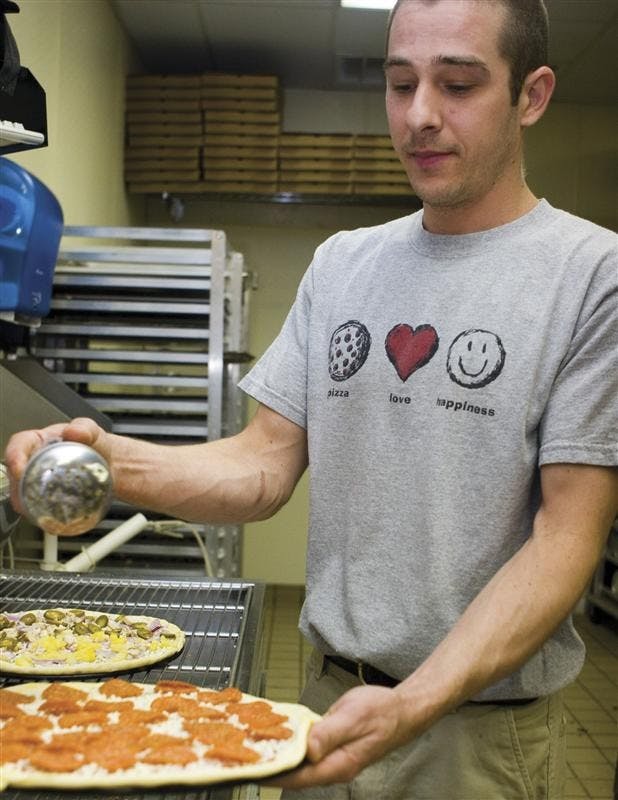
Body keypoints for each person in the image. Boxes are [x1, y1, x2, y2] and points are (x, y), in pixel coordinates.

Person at [5, 0, 617, 797]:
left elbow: (565, 538)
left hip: (475, 733)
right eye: (400, 85)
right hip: (328, 702)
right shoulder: (343, 265)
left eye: (458, 84)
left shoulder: (590, 276)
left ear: (531, 95)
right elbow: (261, 466)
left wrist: (415, 703)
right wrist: (102, 461)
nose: (421, 117)